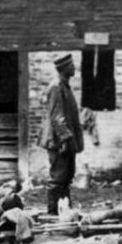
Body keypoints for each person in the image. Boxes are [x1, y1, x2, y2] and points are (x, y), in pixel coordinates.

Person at [41, 54, 84, 215]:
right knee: (58, 178)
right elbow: (57, 117)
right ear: (63, 68)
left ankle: (64, 211)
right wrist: (65, 139)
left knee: (66, 178)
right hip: (58, 141)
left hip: (66, 141)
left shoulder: (64, 86)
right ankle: (52, 213)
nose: (74, 68)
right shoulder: (56, 87)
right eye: (71, 65)